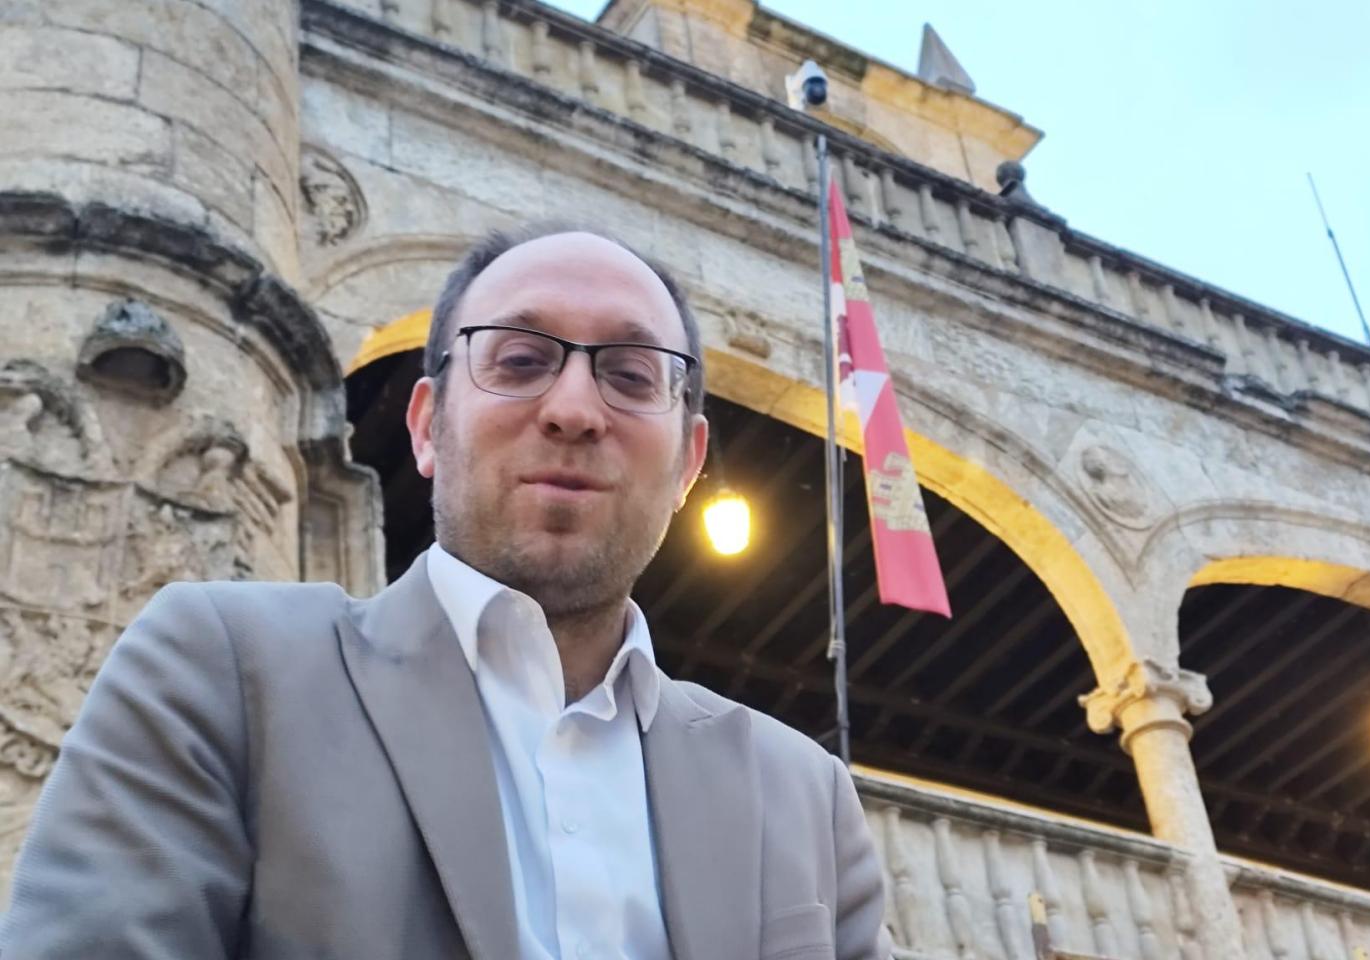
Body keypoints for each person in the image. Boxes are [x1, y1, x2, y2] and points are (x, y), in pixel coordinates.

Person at [0, 226, 894, 960]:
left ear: (689, 463)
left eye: (628, 374)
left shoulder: (806, 795)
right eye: (518, 360)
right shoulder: (225, 669)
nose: (576, 409)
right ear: (428, 426)